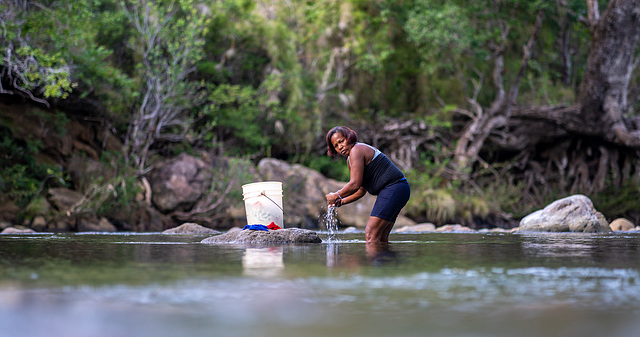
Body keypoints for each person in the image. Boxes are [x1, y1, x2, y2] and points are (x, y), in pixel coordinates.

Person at [325, 126, 410, 243]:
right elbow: (360, 190)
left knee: (371, 235)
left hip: (394, 187)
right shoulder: (350, 159)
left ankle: (371, 261)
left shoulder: (357, 150)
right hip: (400, 189)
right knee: (380, 238)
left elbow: (354, 184)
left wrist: (335, 195)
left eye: (341, 141)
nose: (340, 147)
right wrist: (341, 201)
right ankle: (387, 261)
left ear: (349, 138)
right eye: (336, 146)